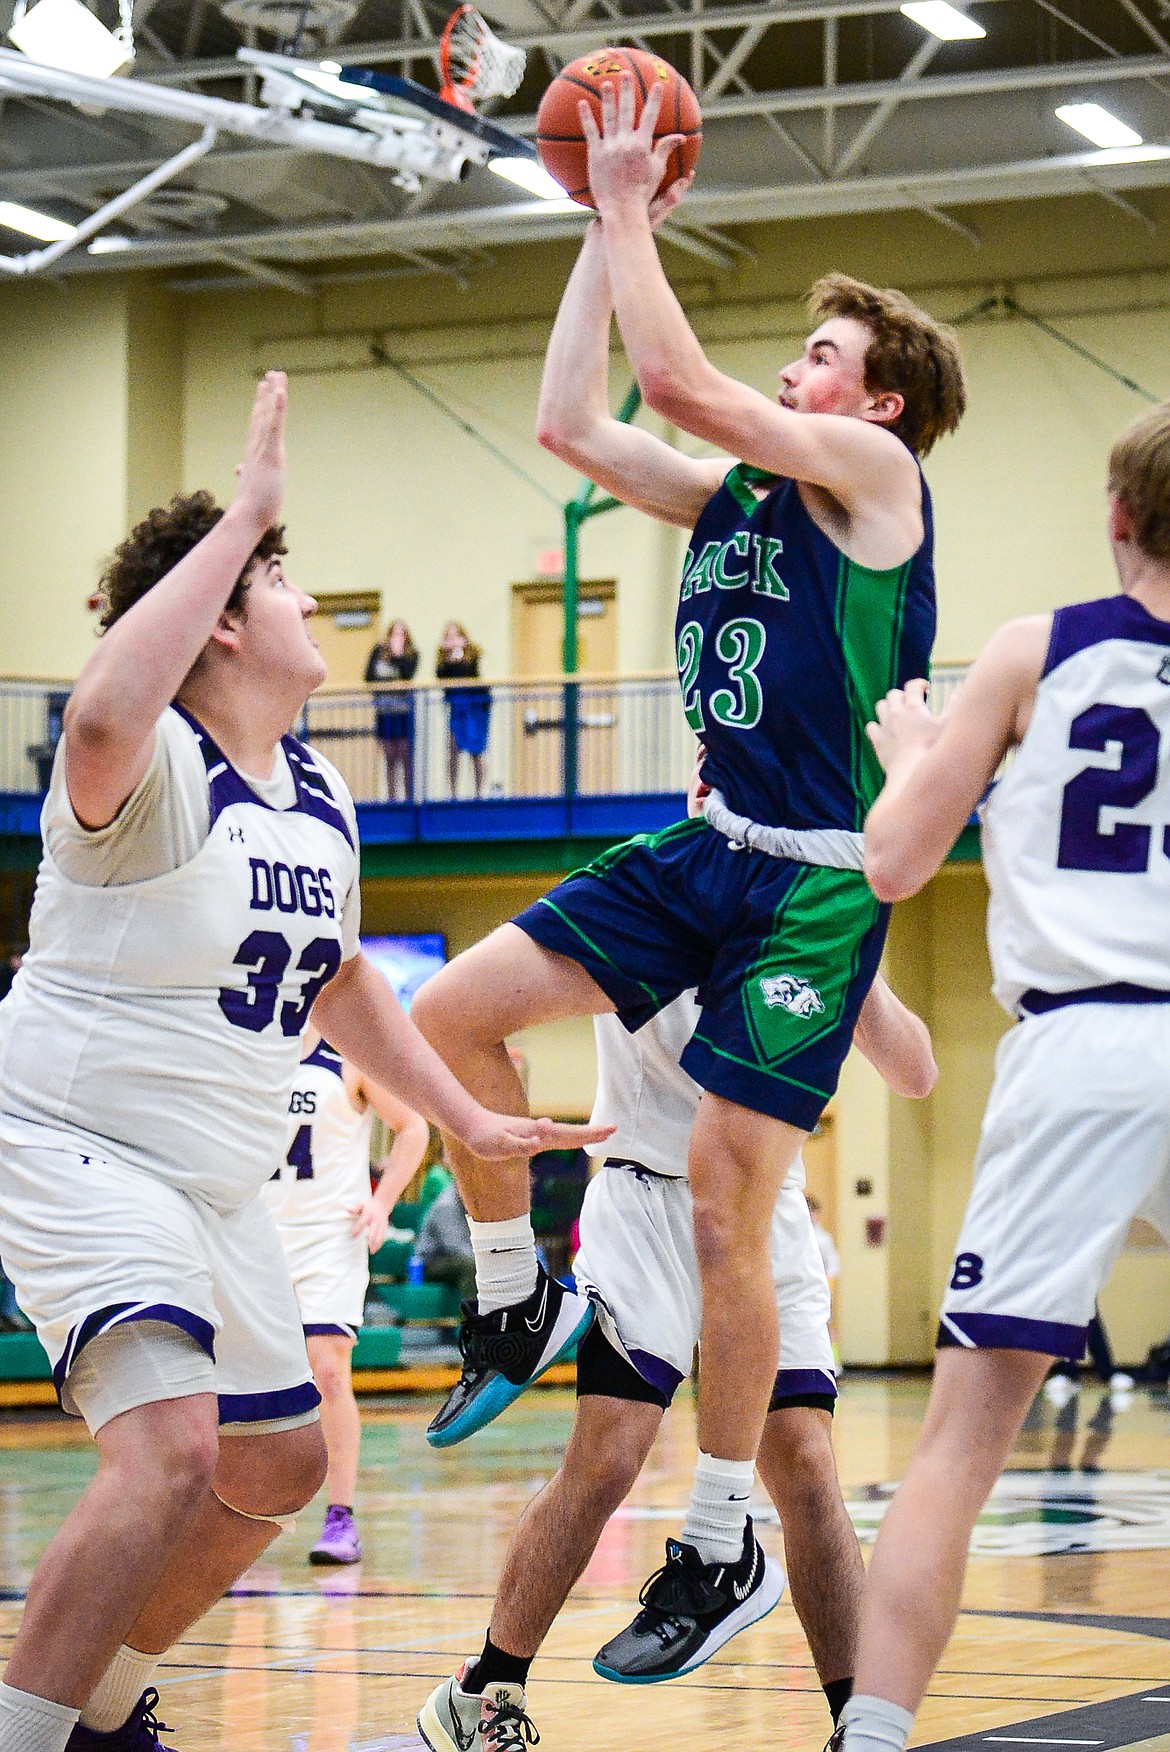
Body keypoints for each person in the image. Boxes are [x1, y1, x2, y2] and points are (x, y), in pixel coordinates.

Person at [409, 73, 965, 1680]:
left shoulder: (876, 492)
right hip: (704, 842)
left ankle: (715, 1532)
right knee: (451, 1017)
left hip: (810, 875)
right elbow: (576, 419)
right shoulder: (735, 499)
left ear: (875, 410)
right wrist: (598, 221)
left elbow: (676, 375)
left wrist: (638, 203)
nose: (796, 370)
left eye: (822, 360)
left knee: (734, 1193)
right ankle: (514, 1286)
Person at [0, 372, 606, 1752]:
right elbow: (95, 714)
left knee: (278, 1464)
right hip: (77, 1139)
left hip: (211, 1183)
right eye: (286, 579)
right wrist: (243, 515)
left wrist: (464, 1116)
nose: (310, 600)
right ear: (221, 616)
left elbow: (335, 978)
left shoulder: (320, 794)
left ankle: (94, 1709)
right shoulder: (148, 760)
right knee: (169, 1452)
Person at [417, 764, 937, 1752]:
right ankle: (486, 1692)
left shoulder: (816, 907)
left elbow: (915, 1074)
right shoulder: (652, 889)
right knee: (606, 1453)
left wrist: (858, 968)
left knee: (805, 1463)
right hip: (643, 1200)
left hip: (759, 1209)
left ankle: (859, 1725)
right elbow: (482, 1014)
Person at [838, 400, 1170, 1752]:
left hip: (1083, 1041)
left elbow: (891, 864)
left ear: (1113, 518)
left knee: (958, 1448)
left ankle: (869, 1737)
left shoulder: (1040, 649)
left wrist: (913, 757)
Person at [264, 1025, 430, 1565]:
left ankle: (339, 1516)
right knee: (248, 1379)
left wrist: (383, 1203)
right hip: (254, 1236)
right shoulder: (247, 1044)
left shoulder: (347, 1051)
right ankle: (248, 1518)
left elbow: (412, 1127)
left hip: (328, 1237)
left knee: (328, 1369)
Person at [436, 621, 491, 798]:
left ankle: (479, 792)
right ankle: (453, 793)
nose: (452, 640)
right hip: (456, 707)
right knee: (453, 749)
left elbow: (470, 671)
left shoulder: (472, 652)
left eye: (455, 635)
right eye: (448, 636)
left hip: (474, 706)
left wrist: (458, 658)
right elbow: (441, 677)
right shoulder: (443, 658)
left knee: (476, 749)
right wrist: (448, 659)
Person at [365, 619, 418, 801]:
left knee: (405, 755)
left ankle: (409, 798)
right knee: (389, 756)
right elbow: (368, 677)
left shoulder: (411, 654)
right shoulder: (378, 652)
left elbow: (407, 674)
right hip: (384, 711)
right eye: (394, 633)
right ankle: (392, 798)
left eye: (401, 634)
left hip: (403, 710)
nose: (397, 637)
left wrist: (398, 655)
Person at [415, 1174, 476, 1305]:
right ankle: (472, 1317)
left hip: (454, 1258)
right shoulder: (446, 1206)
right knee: (470, 1265)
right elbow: (455, 1247)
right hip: (430, 1263)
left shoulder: (465, 1203)